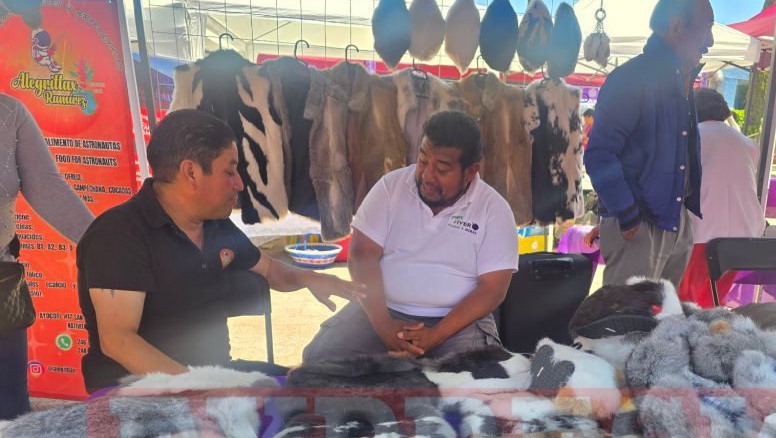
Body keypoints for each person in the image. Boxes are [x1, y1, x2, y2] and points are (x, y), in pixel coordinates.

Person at [76, 109, 364, 392]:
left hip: (213, 377)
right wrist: (202, 389)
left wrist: (309, 278)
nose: (239, 183)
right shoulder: (119, 235)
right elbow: (118, 341)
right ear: (191, 172)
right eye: (229, 171)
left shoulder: (215, 224)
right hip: (136, 391)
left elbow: (269, 269)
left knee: (315, 389)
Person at [301, 110, 517, 362]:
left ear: (470, 172)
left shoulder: (494, 209)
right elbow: (362, 254)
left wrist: (435, 335)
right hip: (380, 310)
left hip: (460, 323)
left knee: (473, 378)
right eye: (423, 160)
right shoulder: (390, 187)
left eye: (441, 169)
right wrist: (383, 325)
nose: (427, 176)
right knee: (319, 360)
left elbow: (493, 289)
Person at [584, 0, 713, 287]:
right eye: (706, 27)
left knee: (662, 315)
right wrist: (628, 216)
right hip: (641, 224)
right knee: (626, 315)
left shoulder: (680, 80)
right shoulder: (631, 78)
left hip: (672, 220)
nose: (710, 40)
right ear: (677, 27)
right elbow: (599, 154)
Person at [0, 94, 93, 419]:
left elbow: (46, 186)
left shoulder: (9, 111)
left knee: (10, 417)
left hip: (2, 289)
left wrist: (102, 243)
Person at [678, 89, 763, 308]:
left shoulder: (689, 138)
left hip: (700, 230)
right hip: (742, 233)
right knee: (714, 299)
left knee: (684, 300)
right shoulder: (746, 142)